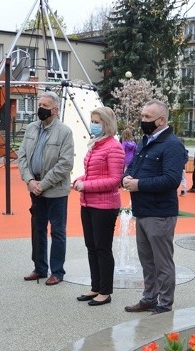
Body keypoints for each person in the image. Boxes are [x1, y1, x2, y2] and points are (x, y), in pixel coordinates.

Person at [122, 99, 188, 315]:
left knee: (162, 262)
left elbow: (171, 180)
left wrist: (138, 184)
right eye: (142, 116)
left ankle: (165, 303)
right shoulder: (146, 140)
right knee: (147, 261)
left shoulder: (172, 145)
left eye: (147, 118)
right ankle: (149, 298)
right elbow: (133, 166)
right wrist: (127, 177)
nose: (143, 121)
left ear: (161, 120)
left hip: (160, 213)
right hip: (142, 211)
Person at [16, 91, 74, 286]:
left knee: (57, 231)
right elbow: (22, 156)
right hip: (35, 187)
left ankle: (57, 271)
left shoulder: (65, 132)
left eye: (45, 106)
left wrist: (43, 183)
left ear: (55, 110)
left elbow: (65, 164)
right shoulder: (31, 128)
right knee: (37, 229)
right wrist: (29, 180)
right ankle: (40, 268)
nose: (40, 109)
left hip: (55, 190)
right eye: (39, 104)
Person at [72, 106, 125, 307]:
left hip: (105, 206)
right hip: (88, 203)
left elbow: (114, 180)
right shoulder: (96, 145)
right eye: (92, 121)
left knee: (102, 248)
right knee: (91, 247)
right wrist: (80, 179)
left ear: (107, 124)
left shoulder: (114, 147)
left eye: (97, 122)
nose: (93, 125)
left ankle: (105, 291)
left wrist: (86, 185)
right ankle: (95, 287)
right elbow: (93, 174)